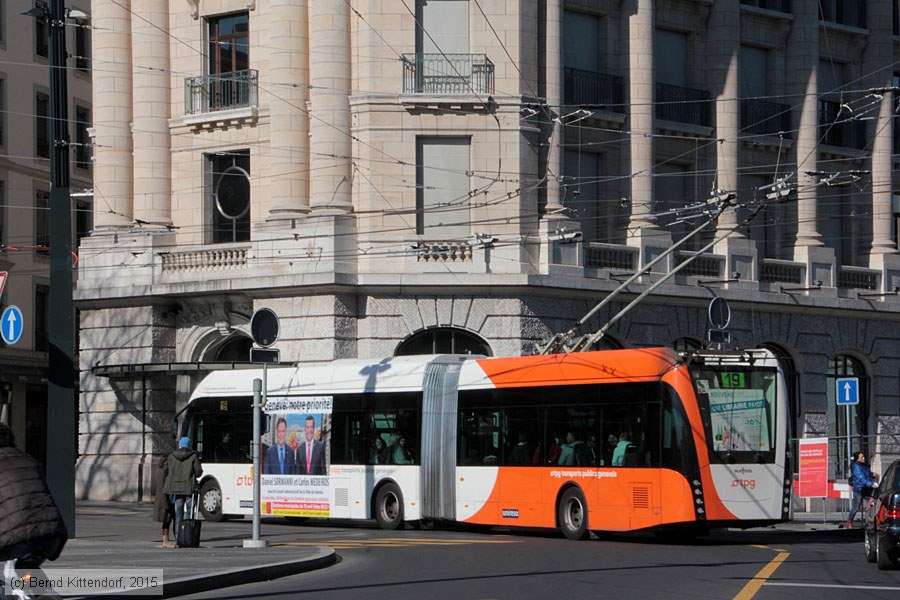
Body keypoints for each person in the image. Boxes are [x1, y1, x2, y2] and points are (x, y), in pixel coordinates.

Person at [0, 423, 68, 573]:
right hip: (52, 537)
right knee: (26, 567)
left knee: (17, 546)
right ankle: (43, 593)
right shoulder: (28, 460)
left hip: (19, 540)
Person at [164, 436, 203, 543]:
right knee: (190, 514)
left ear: (180, 445)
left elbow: (165, 470)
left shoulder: (171, 456)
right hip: (189, 488)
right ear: (189, 446)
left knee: (178, 515)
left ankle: (178, 538)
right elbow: (198, 471)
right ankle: (189, 537)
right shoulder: (193, 456)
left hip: (176, 489)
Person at [847, 450, 879, 529]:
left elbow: (866, 474)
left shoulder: (864, 465)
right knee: (856, 507)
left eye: (864, 456)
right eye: (862, 457)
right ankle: (849, 522)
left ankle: (871, 522)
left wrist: (872, 474)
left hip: (867, 489)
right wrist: (871, 484)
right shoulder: (856, 466)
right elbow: (861, 478)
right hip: (859, 489)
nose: (864, 458)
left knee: (872, 505)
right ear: (857, 458)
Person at [152, 457, 175, 548]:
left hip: (164, 499)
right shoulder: (163, 473)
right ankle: (165, 541)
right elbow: (162, 489)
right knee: (167, 521)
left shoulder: (161, 471)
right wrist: (166, 503)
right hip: (164, 500)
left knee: (167, 521)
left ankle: (166, 540)